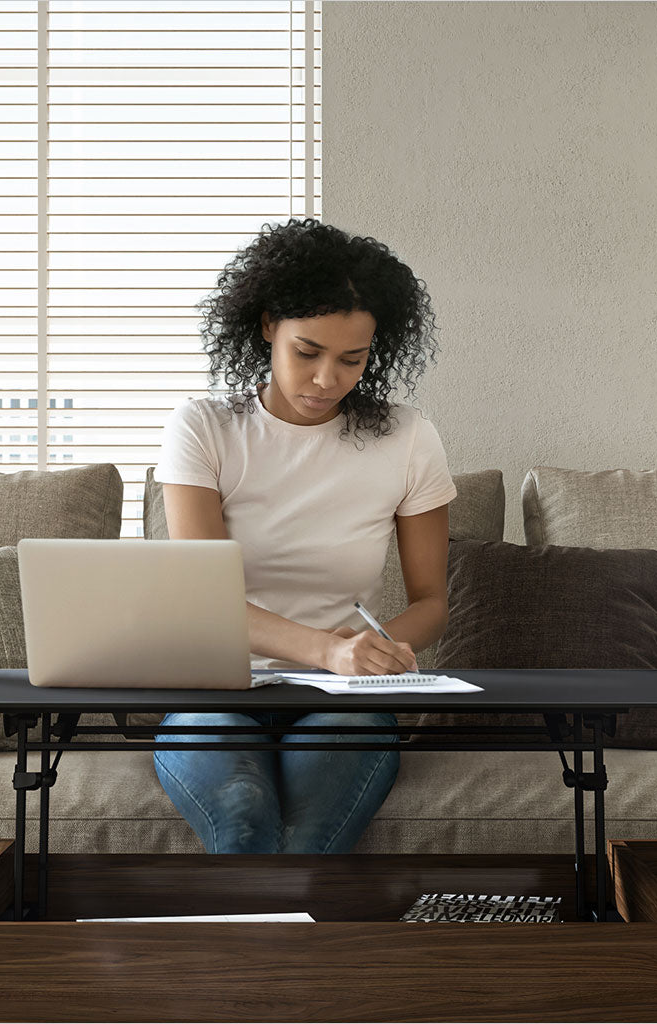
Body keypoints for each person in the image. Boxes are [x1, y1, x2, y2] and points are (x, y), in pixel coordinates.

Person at [152, 217, 457, 854]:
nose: (327, 380)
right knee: (243, 822)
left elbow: (432, 603)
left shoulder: (406, 438)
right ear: (267, 327)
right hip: (217, 691)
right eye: (307, 352)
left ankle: (267, 952)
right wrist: (327, 650)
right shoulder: (205, 429)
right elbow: (204, 598)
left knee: (311, 837)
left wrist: (376, 654)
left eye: (353, 359)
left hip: (343, 697)